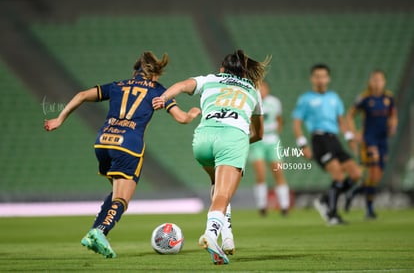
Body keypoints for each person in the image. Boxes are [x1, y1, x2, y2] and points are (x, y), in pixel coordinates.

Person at [44, 51, 200, 258]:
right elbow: (181, 118)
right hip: (128, 144)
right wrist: (192, 114)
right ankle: (100, 232)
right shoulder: (157, 90)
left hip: (103, 142)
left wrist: (59, 119)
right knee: (122, 199)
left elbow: (82, 95)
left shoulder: (117, 86)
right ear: (154, 74)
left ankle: (94, 231)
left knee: (116, 193)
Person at [152, 50, 268, 265]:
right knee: (224, 194)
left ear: (222, 69)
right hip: (232, 137)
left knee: (217, 184)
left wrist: (163, 98)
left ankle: (228, 239)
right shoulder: (253, 90)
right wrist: (239, 143)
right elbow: (259, 134)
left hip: (203, 139)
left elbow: (181, 86)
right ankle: (211, 235)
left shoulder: (209, 79)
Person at [292, 63, 362, 225]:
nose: (320, 80)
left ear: (328, 78)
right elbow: (296, 124)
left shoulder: (334, 98)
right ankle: (332, 214)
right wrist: (302, 145)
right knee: (338, 175)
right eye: (317, 76)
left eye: (323, 76)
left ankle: (325, 199)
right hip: (319, 140)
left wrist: (350, 137)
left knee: (356, 174)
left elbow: (341, 121)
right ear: (312, 79)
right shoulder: (306, 99)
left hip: (334, 139)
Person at [345, 70, 398, 219]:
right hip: (369, 139)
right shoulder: (364, 98)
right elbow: (350, 115)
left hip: (383, 140)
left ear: (384, 81)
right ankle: (369, 211)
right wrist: (354, 133)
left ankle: (353, 193)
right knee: (373, 172)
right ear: (370, 81)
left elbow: (394, 115)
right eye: (374, 80)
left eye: (379, 80)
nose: (377, 83)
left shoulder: (389, 98)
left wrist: (393, 125)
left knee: (376, 177)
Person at [249, 81, 290, 216]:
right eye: (258, 88)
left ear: (268, 89)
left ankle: (284, 206)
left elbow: (279, 119)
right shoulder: (251, 102)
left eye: (263, 88)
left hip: (272, 140)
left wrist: (277, 130)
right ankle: (262, 206)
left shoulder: (275, 102)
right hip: (257, 141)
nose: (261, 91)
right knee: (261, 174)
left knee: (278, 173)